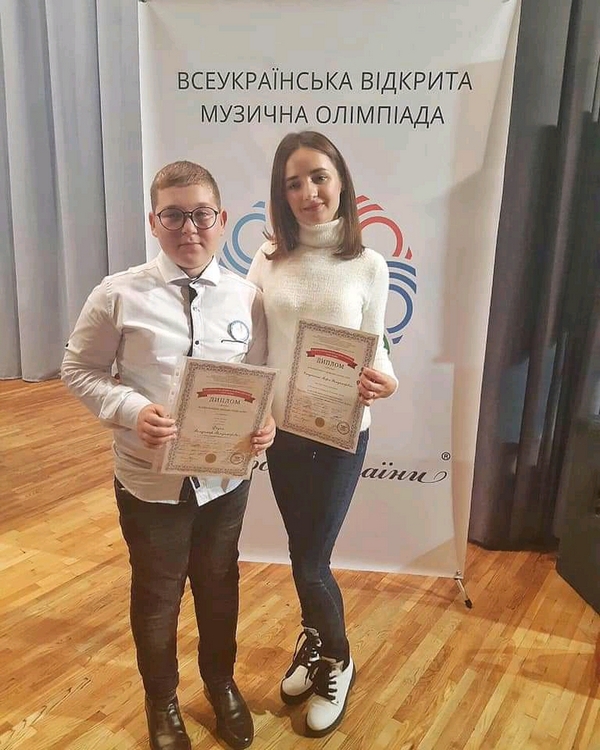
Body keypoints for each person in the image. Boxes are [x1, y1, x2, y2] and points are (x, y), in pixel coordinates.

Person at [62, 161, 274, 750]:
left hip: (224, 481)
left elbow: (261, 377)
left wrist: (265, 423)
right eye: (174, 215)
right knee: (158, 596)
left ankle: (221, 684)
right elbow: (78, 369)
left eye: (201, 214)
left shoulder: (247, 297)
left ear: (221, 219)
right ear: (153, 222)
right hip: (149, 481)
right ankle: (162, 702)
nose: (189, 228)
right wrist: (131, 410)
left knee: (219, 585)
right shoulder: (118, 294)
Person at [247, 131, 397, 737]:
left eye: (318, 177)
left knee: (311, 563)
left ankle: (338, 659)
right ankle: (314, 639)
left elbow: (376, 346)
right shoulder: (267, 259)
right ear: (281, 195)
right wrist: (255, 410)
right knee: (302, 553)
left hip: (341, 433)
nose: (309, 192)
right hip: (284, 431)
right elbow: (256, 349)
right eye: (294, 183)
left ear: (340, 182)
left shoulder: (370, 265)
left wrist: (386, 380)